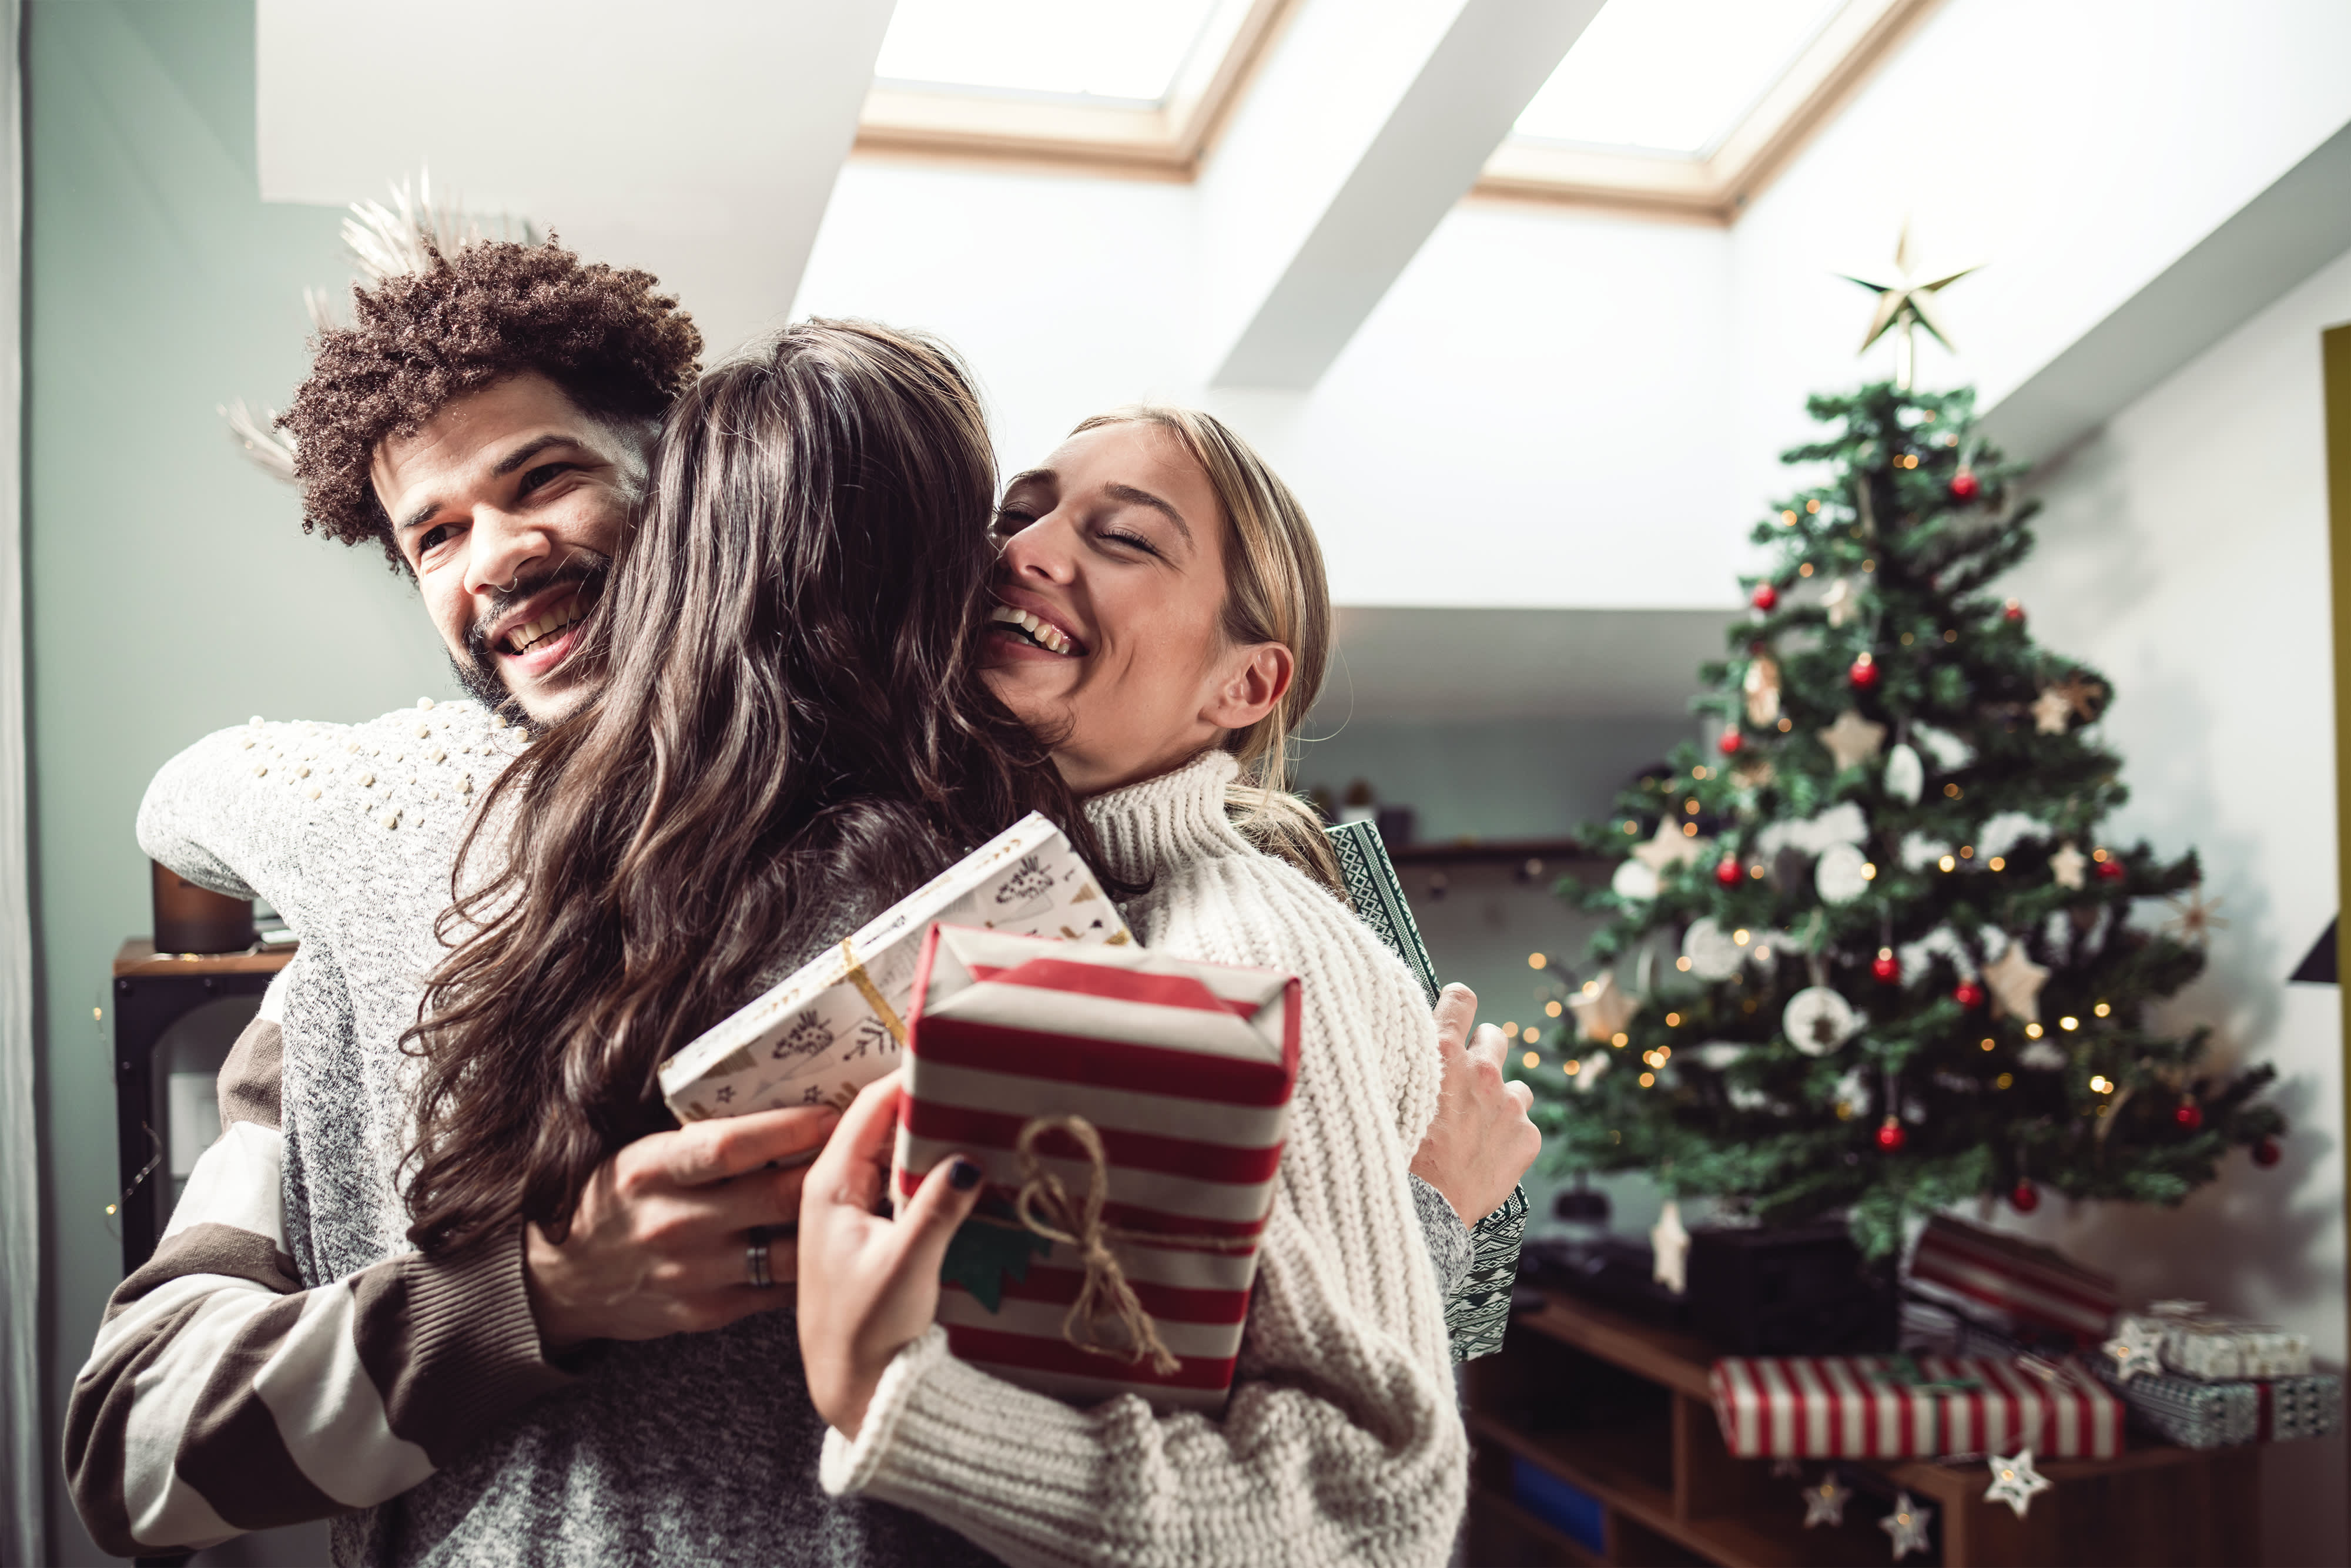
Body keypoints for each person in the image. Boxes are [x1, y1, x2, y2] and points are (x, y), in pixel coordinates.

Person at [68, 241, 1531, 1560]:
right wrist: (537, 1293)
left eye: (540, 478)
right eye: (432, 537)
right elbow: (132, 1458)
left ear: (690, 480)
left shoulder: (1024, 879)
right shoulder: (348, 936)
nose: (494, 558)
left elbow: (1259, 1417)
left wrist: (1415, 1227)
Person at [792, 407, 1472, 1565]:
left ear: (1243, 685)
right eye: (1020, 512)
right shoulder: (1033, 900)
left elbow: (1369, 1513)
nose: (1029, 548)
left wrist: (891, 1401)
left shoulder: (1236, 941)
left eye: (1123, 538)